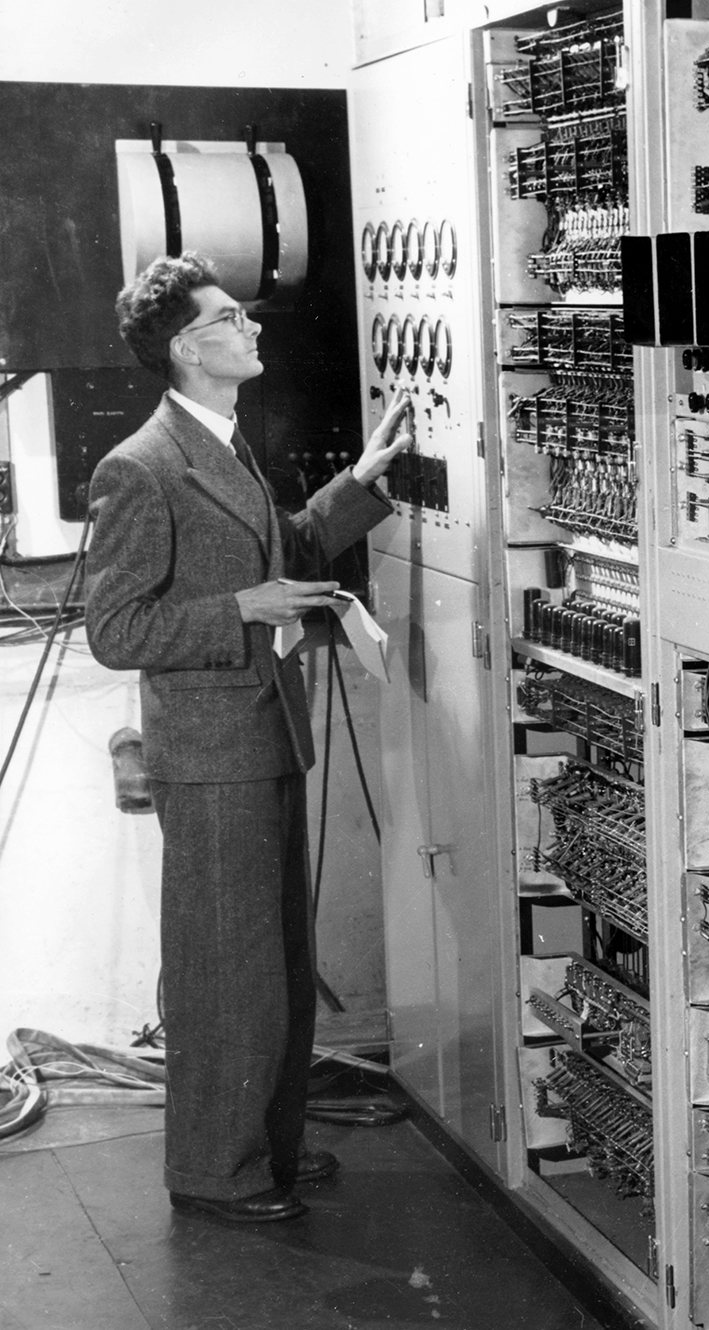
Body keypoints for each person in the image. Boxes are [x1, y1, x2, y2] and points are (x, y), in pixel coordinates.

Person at [85, 253, 414, 1223]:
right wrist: (241, 606)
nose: (254, 327)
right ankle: (214, 1172)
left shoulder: (225, 443)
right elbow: (116, 631)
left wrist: (360, 480)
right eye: (234, 317)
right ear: (191, 346)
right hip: (211, 753)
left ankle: (265, 1144)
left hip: (261, 735)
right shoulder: (140, 466)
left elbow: (290, 552)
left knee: (270, 968)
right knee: (225, 971)